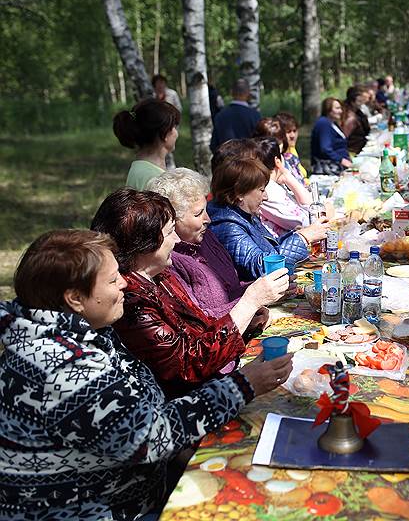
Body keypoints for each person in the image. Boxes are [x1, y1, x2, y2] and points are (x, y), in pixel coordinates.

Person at [0, 229, 292, 519]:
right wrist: (242, 385)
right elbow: (147, 436)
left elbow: (139, 412)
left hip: (141, 488)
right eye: (114, 280)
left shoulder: (83, 332)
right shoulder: (62, 366)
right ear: (75, 298)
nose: (125, 284)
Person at [90, 188, 291, 398]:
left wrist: (245, 321)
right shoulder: (130, 300)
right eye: (169, 232)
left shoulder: (160, 276)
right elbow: (189, 366)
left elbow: (198, 328)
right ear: (145, 244)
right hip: (195, 405)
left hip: (217, 388)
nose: (177, 240)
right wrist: (249, 302)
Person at [146, 168, 285, 331]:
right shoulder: (167, 262)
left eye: (205, 209)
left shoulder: (205, 237)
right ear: (171, 221)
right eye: (198, 214)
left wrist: (264, 288)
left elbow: (231, 288)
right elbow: (197, 321)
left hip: (240, 332)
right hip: (221, 346)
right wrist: (251, 300)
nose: (208, 219)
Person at [207, 157, 314, 280]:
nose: (266, 197)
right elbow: (261, 267)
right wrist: (304, 238)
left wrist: (298, 235)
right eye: (261, 190)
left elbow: (271, 248)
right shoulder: (227, 227)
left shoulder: (243, 215)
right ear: (239, 193)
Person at [256, 137, 330, 239]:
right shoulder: (269, 189)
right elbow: (308, 222)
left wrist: (288, 178)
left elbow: (310, 206)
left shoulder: (275, 184)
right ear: (277, 161)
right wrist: (289, 177)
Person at [114, 98, 180, 190]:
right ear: (164, 133)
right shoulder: (154, 179)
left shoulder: (142, 169)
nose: (176, 133)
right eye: (174, 127)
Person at [210, 78, 262, 152]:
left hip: (227, 161)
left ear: (231, 92)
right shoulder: (255, 116)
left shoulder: (220, 116)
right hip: (249, 161)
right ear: (248, 93)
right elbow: (260, 145)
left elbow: (214, 145)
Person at [254, 116, 306, 185]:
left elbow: (301, 184)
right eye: (268, 144)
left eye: (278, 143)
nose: (274, 148)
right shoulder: (254, 165)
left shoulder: (288, 160)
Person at [310, 97, 352, 175]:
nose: (341, 111)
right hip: (329, 167)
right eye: (337, 108)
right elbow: (325, 148)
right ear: (328, 109)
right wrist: (341, 160)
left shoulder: (332, 123)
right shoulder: (324, 123)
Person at [275, 111, 307, 182]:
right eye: (288, 131)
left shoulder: (292, 150)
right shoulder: (278, 156)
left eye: (294, 131)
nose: (292, 135)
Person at [342, 84, 371, 155]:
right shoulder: (349, 116)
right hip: (353, 153)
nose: (363, 103)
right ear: (353, 100)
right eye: (361, 100)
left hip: (360, 149)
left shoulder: (357, 112)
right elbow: (343, 139)